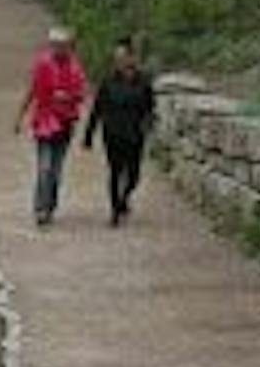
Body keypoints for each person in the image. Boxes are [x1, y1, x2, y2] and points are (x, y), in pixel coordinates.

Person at [14, 27, 88, 227]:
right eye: (55, 45)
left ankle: (50, 206)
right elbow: (32, 90)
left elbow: (82, 94)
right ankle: (40, 208)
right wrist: (20, 116)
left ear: (69, 47)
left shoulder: (75, 68)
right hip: (45, 123)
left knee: (56, 169)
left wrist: (68, 96)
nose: (58, 49)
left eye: (62, 46)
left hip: (64, 124)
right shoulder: (43, 64)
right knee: (44, 167)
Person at [85, 37, 158, 227]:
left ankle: (124, 197)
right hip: (113, 133)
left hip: (135, 134)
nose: (120, 61)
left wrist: (149, 124)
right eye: (117, 57)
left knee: (134, 175)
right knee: (115, 171)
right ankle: (114, 210)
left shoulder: (143, 82)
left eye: (124, 56)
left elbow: (151, 108)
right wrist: (89, 135)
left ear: (133, 58)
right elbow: (97, 108)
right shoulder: (108, 81)